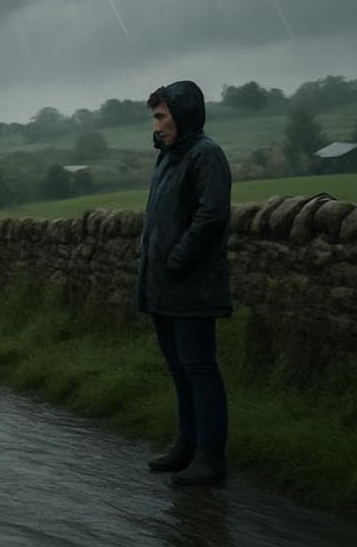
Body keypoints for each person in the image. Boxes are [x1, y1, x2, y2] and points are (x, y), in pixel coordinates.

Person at [135, 80, 232, 487]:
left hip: (192, 284)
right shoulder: (168, 157)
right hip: (164, 286)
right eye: (155, 118)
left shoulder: (205, 155)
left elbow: (211, 217)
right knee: (180, 371)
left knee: (200, 370)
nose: (156, 126)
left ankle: (210, 458)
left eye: (162, 117)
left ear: (184, 114)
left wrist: (176, 259)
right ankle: (186, 446)